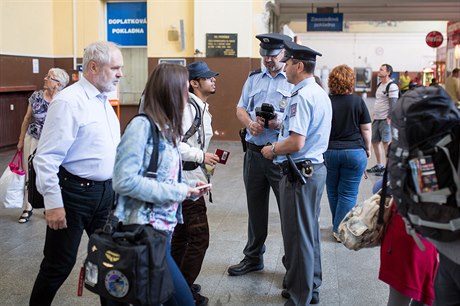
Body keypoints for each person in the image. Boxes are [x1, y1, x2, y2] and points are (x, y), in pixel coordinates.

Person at [29, 41, 123, 306]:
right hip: (73, 196)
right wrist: (54, 204)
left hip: (105, 194)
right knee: (59, 264)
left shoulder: (103, 101)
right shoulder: (69, 101)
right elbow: (46, 158)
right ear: (93, 67)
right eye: (115, 67)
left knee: (109, 260)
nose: (120, 73)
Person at [112, 63, 210, 306]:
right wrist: (178, 190)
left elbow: (161, 178)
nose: (187, 96)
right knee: (183, 301)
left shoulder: (165, 128)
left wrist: (188, 191)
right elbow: (124, 180)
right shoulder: (141, 127)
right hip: (144, 230)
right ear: (170, 91)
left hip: (161, 231)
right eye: (184, 90)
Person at [261, 40, 332, 305]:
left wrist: (273, 149)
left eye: (288, 63)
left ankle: (299, 296)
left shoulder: (301, 97)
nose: (285, 67)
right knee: (308, 232)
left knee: (297, 235)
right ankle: (310, 286)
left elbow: (296, 142)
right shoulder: (318, 93)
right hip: (313, 171)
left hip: (299, 173)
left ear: (299, 65)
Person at [229, 33, 293, 276]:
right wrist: (249, 124)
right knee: (255, 209)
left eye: (272, 55)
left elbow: (301, 120)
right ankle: (253, 257)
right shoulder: (253, 78)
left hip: (280, 157)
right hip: (254, 154)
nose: (267, 59)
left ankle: (291, 265)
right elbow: (240, 107)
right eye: (264, 55)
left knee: (288, 212)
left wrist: (278, 124)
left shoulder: (293, 80)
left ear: (284, 53)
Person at [171, 61, 220, 306]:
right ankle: (182, 292)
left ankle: (177, 283)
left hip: (190, 176)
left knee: (181, 235)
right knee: (199, 238)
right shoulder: (188, 107)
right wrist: (201, 156)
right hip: (187, 180)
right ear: (194, 83)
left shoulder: (198, 106)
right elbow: (174, 143)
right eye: (207, 77)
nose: (213, 80)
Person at [372, 179, 438, 306]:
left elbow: (378, 187)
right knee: (414, 294)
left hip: (402, 231)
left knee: (414, 294)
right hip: (418, 238)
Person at [324, 64, 371, 240]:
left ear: (331, 82)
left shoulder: (326, 101)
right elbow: (366, 129)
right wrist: (367, 150)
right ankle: (340, 229)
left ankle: (338, 226)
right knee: (348, 193)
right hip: (354, 153)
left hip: (329, 152)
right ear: (351, 82)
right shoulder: (358, 101)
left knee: (333, 191)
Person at [16, 68, 69, 223]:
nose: (45, 78)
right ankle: (28, 206)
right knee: (30, 173)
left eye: (49, 77)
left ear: (58, 84)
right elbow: (27, 119)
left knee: (52, 174)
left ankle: (50, 206)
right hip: (33, 139)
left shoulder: (64, 99)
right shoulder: (36, 97)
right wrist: (20, 141)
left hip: (53, 143)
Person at [367, 64, 399, 176]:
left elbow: (394, 104)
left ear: (388, 72)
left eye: (381, 69)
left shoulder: (392, 86)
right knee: (375, 141)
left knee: (386, 143)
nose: (379, 71)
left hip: (386, 120)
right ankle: (380, 165)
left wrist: (389, 118)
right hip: (377, 118)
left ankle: (388, 169)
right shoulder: (380, 84)